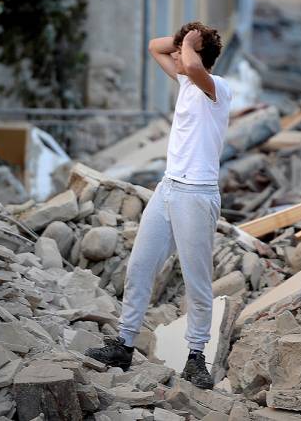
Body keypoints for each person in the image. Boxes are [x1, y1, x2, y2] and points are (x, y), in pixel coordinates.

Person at [85, 22, 232, 389]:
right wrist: (190, 37)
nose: (177, 56)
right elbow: (154, 46)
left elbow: (196, 67)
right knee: (139, 266)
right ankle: (124, 343)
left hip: (197, 195)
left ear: (197, 56)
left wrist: (195, 47)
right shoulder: (186, 82)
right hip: (168, 190)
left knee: (196, 281)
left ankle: (196, 358)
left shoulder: (218, 89)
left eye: (184, 51)